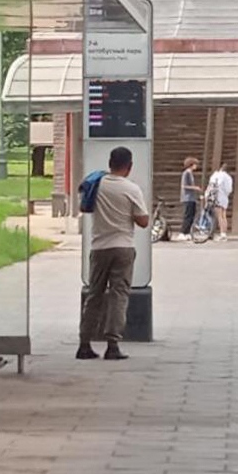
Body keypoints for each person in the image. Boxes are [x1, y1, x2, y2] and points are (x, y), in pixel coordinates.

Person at [77, 146, 149, 361]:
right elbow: (143, 221)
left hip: (99, 247)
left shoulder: (97, 185)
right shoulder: (131, 189)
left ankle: (84, 344)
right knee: (118, 295)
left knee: (94, 294)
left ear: (110, 164)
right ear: (129, 166)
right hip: (123, 247)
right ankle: (112, 345)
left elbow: (85, 207)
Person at [172, 156, 200, 241]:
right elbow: (184, 185)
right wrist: (195, 188)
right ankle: (182, 232)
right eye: (195, 164)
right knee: (187, 215)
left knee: (192, 215)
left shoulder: (190, 174)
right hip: (187, 197)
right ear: (191, 164)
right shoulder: (186, 173)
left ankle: (187, 232)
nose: (196, 166)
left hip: (192, 197)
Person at [205, 161, 234, 239]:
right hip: (224, 197)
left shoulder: (215, 175)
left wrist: (207, 195)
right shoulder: (228, 177)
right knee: (223, 215)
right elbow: (229, 189)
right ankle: (223, 233)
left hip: (215, 197)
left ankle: (220, 232)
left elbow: (210, 186)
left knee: (218, 216)